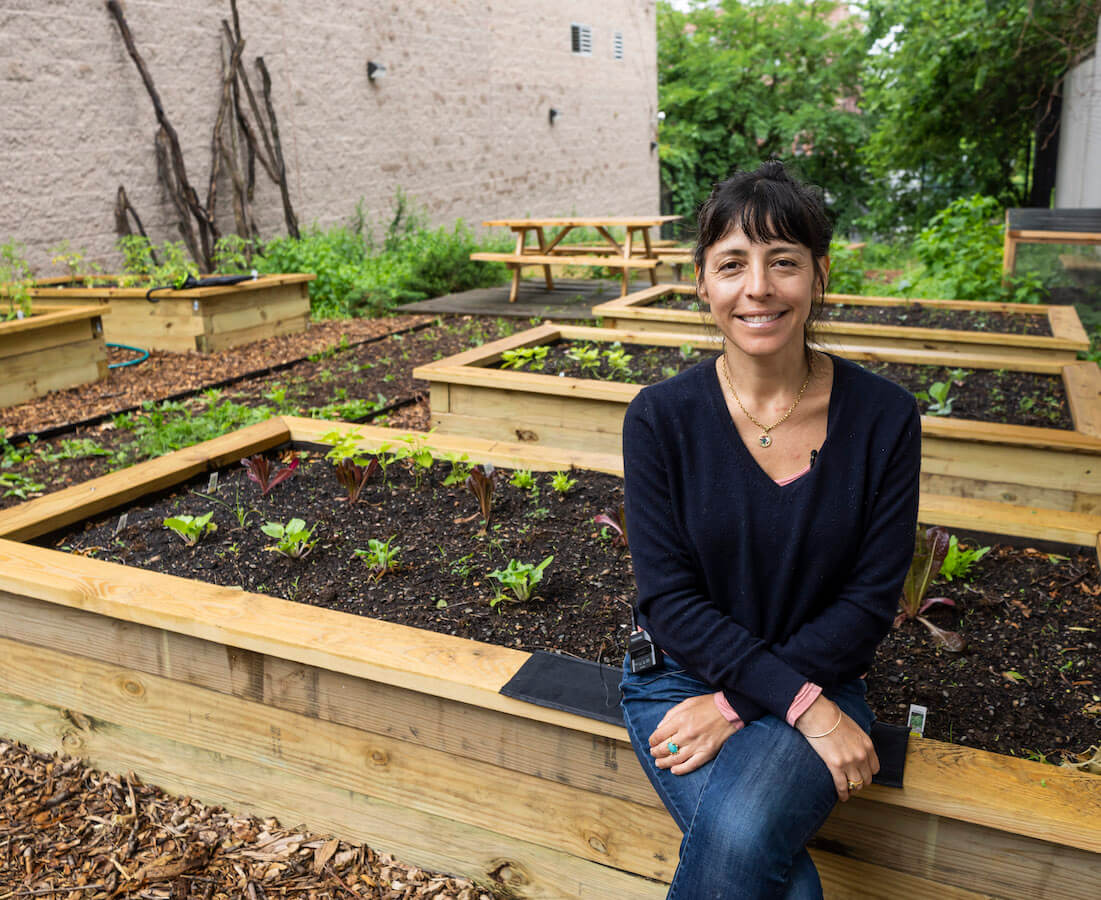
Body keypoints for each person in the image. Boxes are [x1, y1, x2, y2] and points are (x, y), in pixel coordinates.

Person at [619, 160, 921, 899]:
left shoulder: (883, 417)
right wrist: (796, 706)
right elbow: (670, 601)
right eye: (732, 265)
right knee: (777, 876)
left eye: (782, 262)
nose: (757, 287)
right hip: (678, 680)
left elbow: (868, 601)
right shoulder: (661, 418)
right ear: (703, 283)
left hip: (819, 675)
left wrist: (740, 706)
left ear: (818, 275)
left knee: (747, 842)